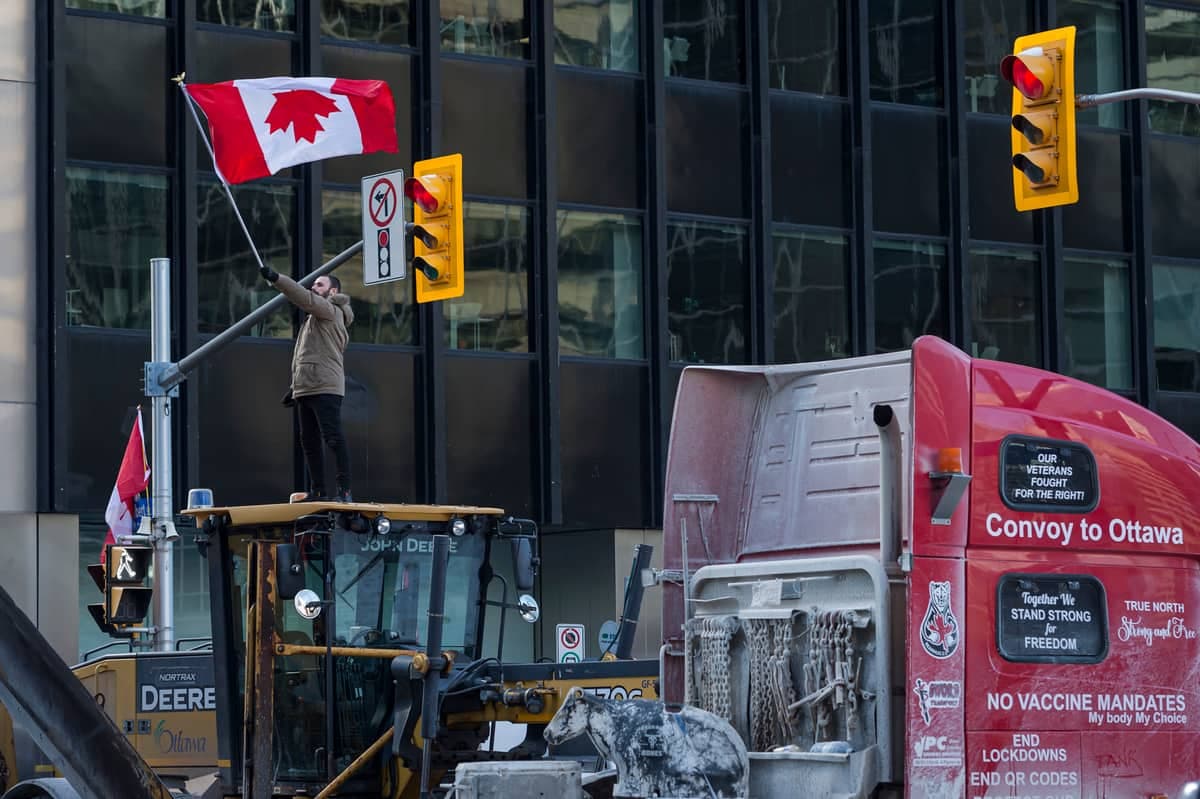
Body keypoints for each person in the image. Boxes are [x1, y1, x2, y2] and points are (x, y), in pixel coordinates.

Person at [260, 262, 355, 501]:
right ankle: (319, 491)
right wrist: (294, 388)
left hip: (325, 387)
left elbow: (301, 296)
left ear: (333, 292)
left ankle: (344, 491)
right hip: (307, 388)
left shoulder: (330, 311)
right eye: (313, 284)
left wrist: (276, 278)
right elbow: (310, 355)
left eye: (319, 285)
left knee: (332, 437)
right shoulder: (315, 319)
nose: (314, 287)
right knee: (309, 442)